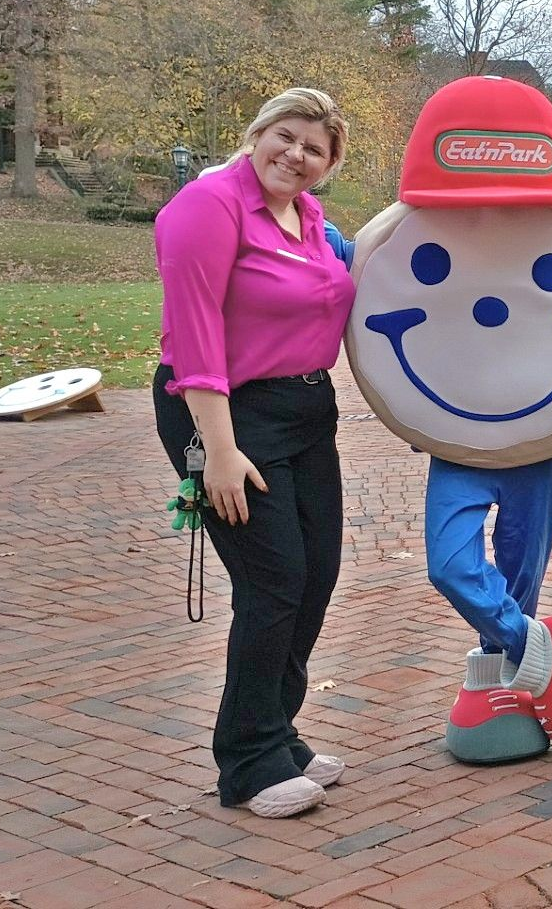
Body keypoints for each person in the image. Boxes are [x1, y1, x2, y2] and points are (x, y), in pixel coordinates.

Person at [153, 87, 354, 818]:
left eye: (314, 149)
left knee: (317, 574)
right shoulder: (208, 206)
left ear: (327, 166)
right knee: (274, 583)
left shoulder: (309, 219)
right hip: (223, 412)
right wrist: (220, 448)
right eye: (286, 136)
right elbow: (195, 330)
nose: (295, 155)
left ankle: (278, 732)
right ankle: (246, 763)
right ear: (258, 132)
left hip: (305, 410)